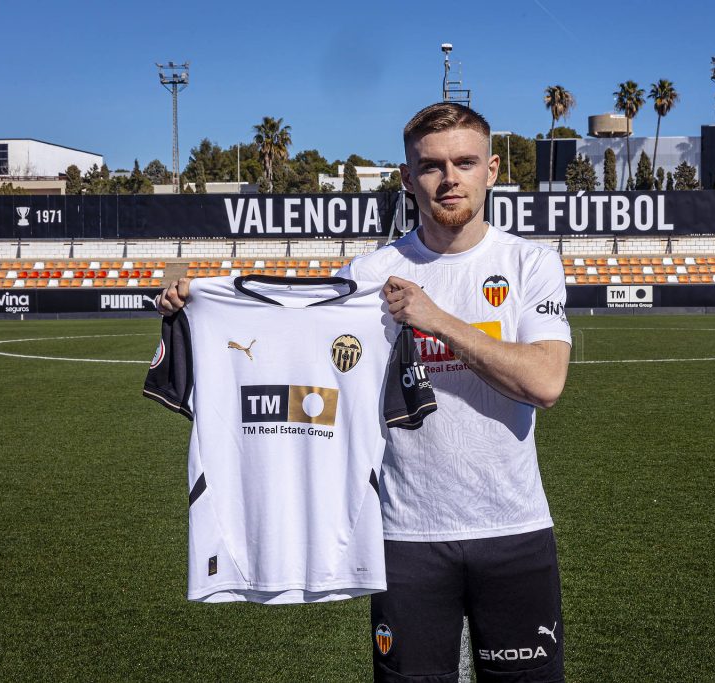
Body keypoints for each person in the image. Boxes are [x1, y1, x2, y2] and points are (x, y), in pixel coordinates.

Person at [157, 102, 571, 682]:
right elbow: (295, 352)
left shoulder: (531, 263)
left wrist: (435, 318)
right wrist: (194, 307)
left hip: (514, 528)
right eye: (431, 166)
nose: (449, 179)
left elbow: (545, 382)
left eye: (465, 162)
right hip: (402, 536)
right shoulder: (368, 275)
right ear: (406, 177)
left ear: (492, 169)